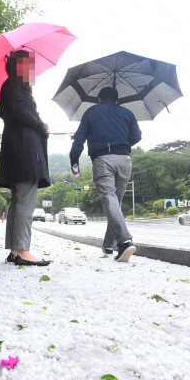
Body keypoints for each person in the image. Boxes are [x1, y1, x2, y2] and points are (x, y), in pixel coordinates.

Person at [69, 87, 141, 262]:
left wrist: (74, 161)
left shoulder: (91, 112)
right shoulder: (127, 113)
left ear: (99, 100)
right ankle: (109, 244)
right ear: (116, 100)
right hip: (125, 159)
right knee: (115, 201)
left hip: (102, 159)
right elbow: (137, 136)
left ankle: (124, 241)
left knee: (109, 199)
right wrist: (122, 142)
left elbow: (79, 139)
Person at [0, 50, 51, 267]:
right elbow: (19, 112)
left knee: (19, 203)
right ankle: (23, 251)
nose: (32, 70)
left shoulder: (16, 87)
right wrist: (41, 125)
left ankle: (15, 250)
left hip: (20, 148)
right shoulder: (12, 85)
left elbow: (20, 111)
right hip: (24, 151)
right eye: (29, 66)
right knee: (25, 202)